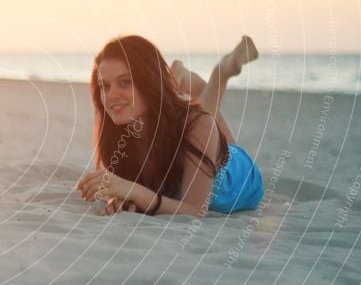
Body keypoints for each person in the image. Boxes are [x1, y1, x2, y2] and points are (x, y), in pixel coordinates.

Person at [76, 35, 264, 217]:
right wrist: (119, 199)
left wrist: (134, 192)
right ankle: (188, 85)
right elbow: (120, 188)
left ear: (148, 80)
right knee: (193, 120)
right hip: (197, 139)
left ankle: (221, 72)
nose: (110, 95)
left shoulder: (198, 124)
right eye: (104, 86)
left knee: (200, 120)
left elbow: (195, 211)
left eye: (125, 82)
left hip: (236, 174)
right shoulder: (119, 135)